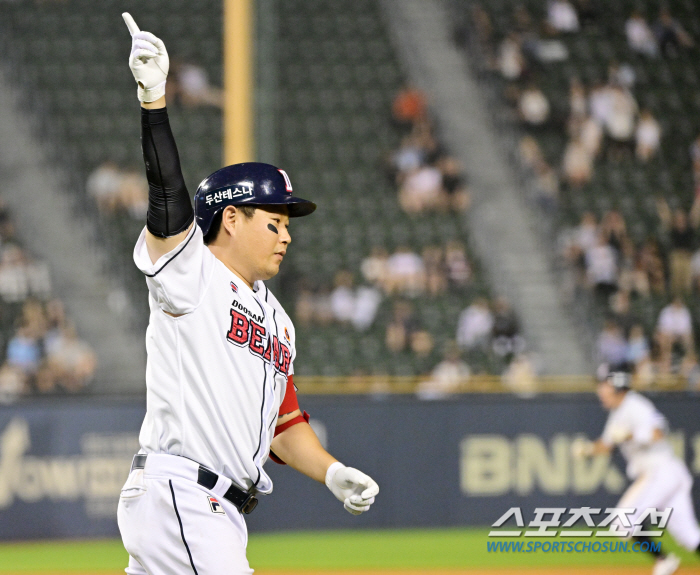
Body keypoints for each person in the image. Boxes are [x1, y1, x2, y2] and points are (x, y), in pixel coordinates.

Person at [118, 15, 379, 575]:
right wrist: (154, 101)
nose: (286, 234)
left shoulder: (279, 321)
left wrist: (331, 472)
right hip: (183, 496)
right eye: (274, 220)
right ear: (231, 218)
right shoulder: (191, 272)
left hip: (220, 512)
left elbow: (283, 423)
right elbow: (167, 196)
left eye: (290, 224)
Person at [572, 372, 700, 575]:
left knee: (623, 521)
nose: (600, 392)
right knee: (691, 536)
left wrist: (632, 434)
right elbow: (607, 445)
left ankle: (664, 561)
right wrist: (587, 449)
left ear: (617, 388)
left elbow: (659, 432)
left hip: (661, 472)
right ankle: (664, 561)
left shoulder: (636, 405)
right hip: (663, 475)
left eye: (604, 387)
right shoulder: (617, 412)